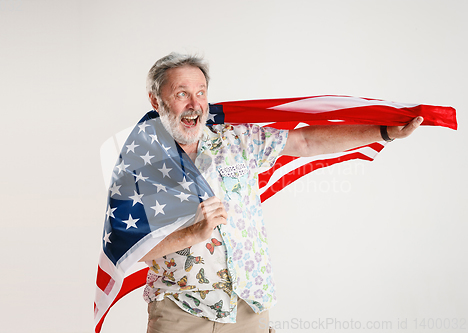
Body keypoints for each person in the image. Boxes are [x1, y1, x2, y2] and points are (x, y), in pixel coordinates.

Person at [139, 53, 422, 333]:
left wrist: (384, 131)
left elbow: (306, 141)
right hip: (181, 310)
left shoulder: (237, 139)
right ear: (156, 100)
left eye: (201, 93)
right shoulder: (138, 163)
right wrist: (192, 234)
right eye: (182, 94)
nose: (195, 104)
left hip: (248, 307)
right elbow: (126, 247)